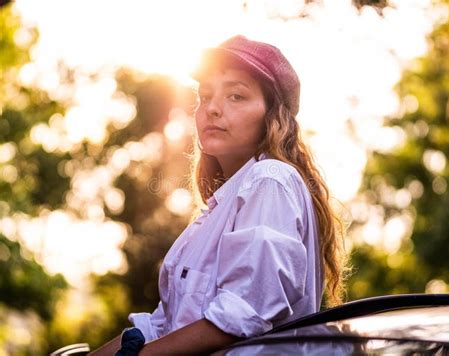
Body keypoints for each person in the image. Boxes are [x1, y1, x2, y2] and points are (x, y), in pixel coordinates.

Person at [91, 34, 348, 355]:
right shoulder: (219, 208)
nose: (212, 108)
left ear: (273, 116)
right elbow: (164, 325)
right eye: (205, 96)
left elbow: (242, 313)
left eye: (236, 96)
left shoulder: (269, 179)